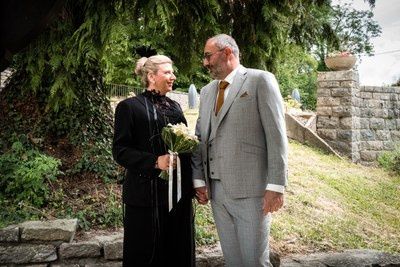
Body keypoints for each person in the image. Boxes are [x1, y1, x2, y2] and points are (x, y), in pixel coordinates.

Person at [192, 34, 288, 267]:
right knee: (233, 261)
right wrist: (198, 180)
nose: (205, 62)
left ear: (227, 53)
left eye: (208, 56)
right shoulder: (206, 92)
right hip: (216, 192)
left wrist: (276, 185)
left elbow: (276, 136)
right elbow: (199, 138)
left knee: (254, 262)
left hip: (252, 192)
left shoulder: (260, 80)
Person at [112, 55, 195, 267]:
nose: (173, 76)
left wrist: (194, 186)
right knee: (145, 254)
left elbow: (186, 148)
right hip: (144, 198)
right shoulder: (129, 107)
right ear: (151, 76)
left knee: (178, 252)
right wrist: (154, 162)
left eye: (172, 72)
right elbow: (120, 151)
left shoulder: (176, 107)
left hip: (177, 197)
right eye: (167, 72)